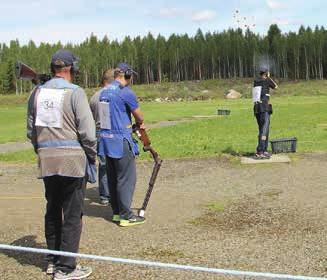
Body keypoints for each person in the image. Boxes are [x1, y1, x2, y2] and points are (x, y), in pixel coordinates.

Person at [27, 49, 96, 280]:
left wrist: (43, 150)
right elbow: (87, 131)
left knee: (53, 209)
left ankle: (53, 261)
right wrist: (91, 155)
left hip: (47, 160)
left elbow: (31, 131)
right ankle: (66, 268)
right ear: (71, 69)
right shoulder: (75, 92)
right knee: (73, 213)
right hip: (72, 160)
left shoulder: (36, 93)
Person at [98, 63, 146, 227]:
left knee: (112, 178)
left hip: (106, 140)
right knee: (126, 178)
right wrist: (138, 123)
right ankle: (126, 215)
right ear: (127, 75)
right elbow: (139, 116)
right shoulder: (126, 92)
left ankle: (117, 212)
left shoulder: (104, 91)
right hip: (120, 140)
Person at [89, 69, 115, 205]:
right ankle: (117, 193)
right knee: (118, 164)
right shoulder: (116, 94)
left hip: (99, 133)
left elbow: (90, 118)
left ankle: (105, 196)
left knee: (104, 165)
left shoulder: (94, 96)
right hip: (114, 133)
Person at [252, 67, 278, 159]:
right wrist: (269, 77)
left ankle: (264, 150)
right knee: (264, 130)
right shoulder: (266, 80)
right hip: (264, 108)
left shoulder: (256, 81)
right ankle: (260, 151)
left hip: (257, 109)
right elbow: (275, 86)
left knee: (262, 129)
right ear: (266, 74)